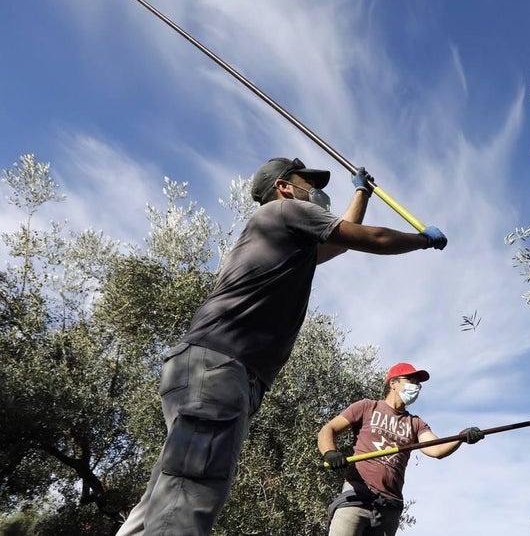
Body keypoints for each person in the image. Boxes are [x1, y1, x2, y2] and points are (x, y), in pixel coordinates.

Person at [117, 157, 449, 536]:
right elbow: (368, 239)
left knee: (168, 491)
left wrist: (361, 192)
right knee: (193, 488)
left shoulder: (288, 239)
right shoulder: (284, 212)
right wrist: (422, 240)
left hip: (207, 368)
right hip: (220, 366)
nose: (315, 189)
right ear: (284, 187)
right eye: (306, 181)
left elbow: (340, 242)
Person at [318, 362, 484, 536]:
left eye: (418, 384)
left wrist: (461, 437)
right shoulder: (367, 407)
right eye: (411, 380)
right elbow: (327, 430)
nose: (416, 387)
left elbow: (436, 449)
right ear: (393, 383)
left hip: (390, 507)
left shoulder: (415, 423)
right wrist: (330, 453)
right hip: (357, 496)